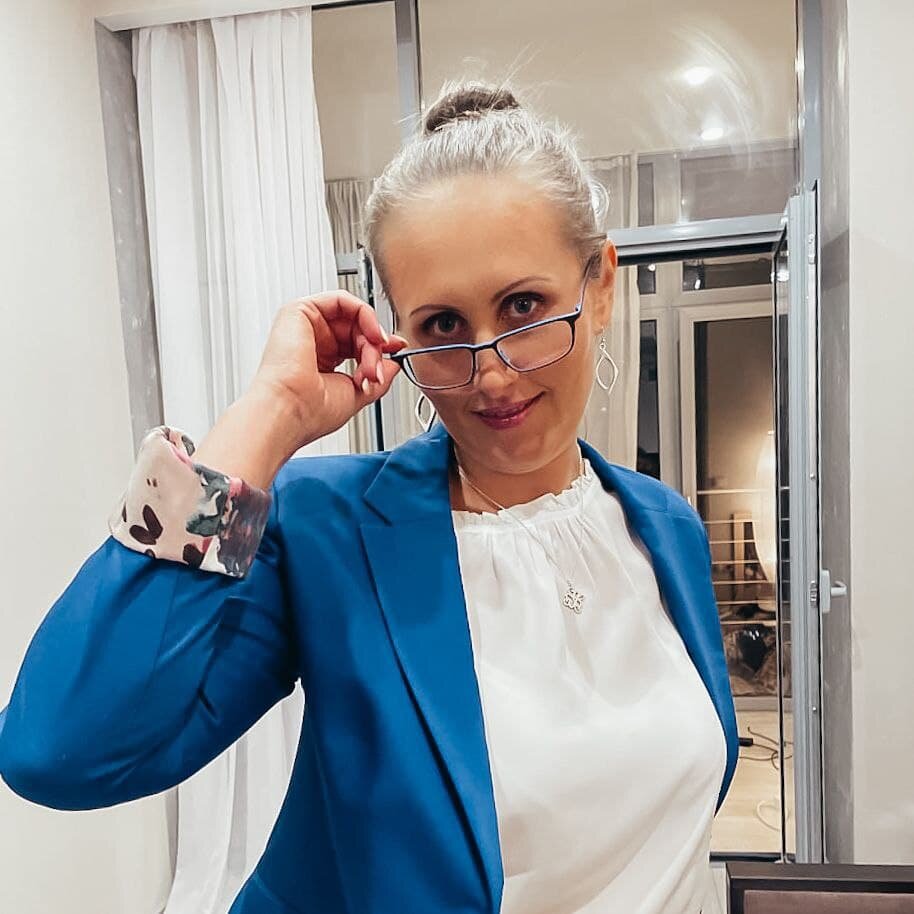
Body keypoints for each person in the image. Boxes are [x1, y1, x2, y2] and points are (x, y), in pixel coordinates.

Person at [0, 79, 737, 914]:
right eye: (442, 326)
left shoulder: (665, 527)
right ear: (399, 336)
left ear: (599, 287)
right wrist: (269, 414)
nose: (491, 372)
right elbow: (60, 748)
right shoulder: (331, 531)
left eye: (524, 307)